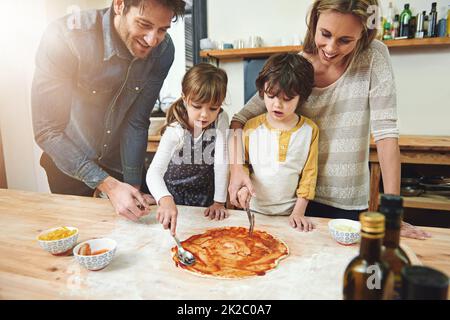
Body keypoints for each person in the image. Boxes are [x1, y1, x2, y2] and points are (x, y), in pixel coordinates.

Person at [228, 0, 430, 240]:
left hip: (347, 201)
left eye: (345, 40)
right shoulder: (297, 70)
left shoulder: (374, 56)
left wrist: (393, 213)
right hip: (295, 203)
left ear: (364, 33)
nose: (331, 48)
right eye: (325, 34)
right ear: (314, 21)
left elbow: (386, 134)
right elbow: (239, 120)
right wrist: (237, 168)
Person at [31, 0, 186, 222]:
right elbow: (47, 131)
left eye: (162, 29)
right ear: (120, 4)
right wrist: (109, 185)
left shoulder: (163, 51)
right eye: (143, 24)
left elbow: (137, 121)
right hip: (69, 164)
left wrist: (132, 184)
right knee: (80, 241)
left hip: (121, 163)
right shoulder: (65, 37)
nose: (152, 40)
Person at [236, 53, 318, 232]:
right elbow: (243, 165)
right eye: (271, 96)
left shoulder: (310, 130)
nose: (277, 105)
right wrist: (243, 188)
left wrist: (298, 212)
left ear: (301, 98)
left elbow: (309, 176)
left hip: (289, 216)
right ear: (262, 92)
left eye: (287, 99)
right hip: (253, 212)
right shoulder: (250, 127)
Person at [146, 63, 229, 235]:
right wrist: (164, 198)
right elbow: (153, 172)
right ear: (185, 99)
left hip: (205, 195)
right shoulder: (175, 130)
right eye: (197, 106)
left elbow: (221, 162)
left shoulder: (221, 119)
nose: (205, 115)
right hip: (174, 196)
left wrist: (219, 201)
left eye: (213, 108)